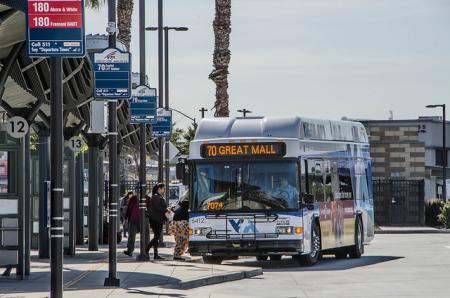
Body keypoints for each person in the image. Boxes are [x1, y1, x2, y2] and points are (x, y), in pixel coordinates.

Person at [146, 183, 168, 260]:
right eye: (163, 189)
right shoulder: (155, 196)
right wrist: (166, 210)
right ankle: (147, 250)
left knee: (156, 237)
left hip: (158, 219)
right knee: (156, 236)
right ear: (159, 189)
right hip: (155, 219)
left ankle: (155, 254)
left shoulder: (159, 196)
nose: (164, 190)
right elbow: (158, 207)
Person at [171, 190, 190, 261]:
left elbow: (175, 209)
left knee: (180, 238)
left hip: (177, 220)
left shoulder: (182, 200)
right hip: (182, 221)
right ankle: (177, 255)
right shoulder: (187, 202)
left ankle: (177, 254)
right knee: (182, 238)